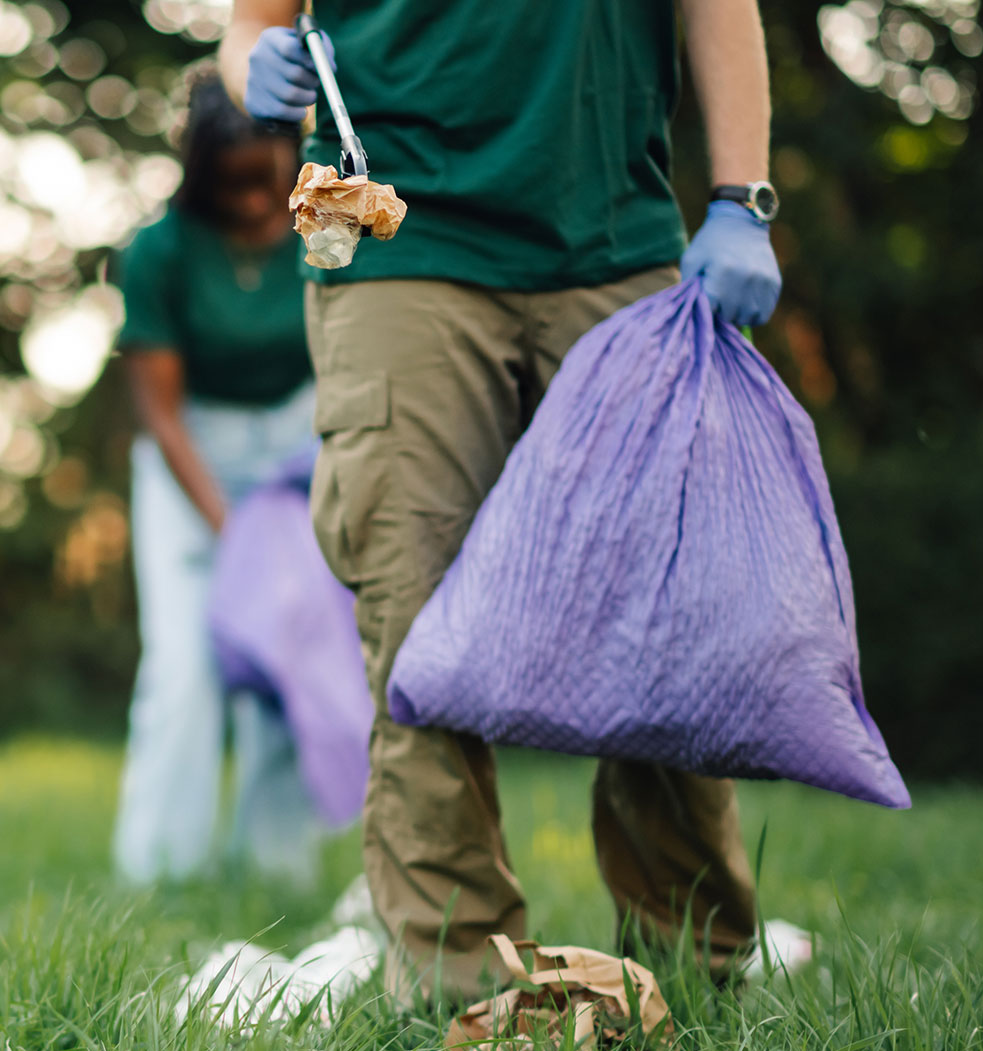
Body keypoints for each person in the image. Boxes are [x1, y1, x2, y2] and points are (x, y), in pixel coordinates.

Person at [222, 0, 784, 998]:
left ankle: (697, 973)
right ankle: (461, 991)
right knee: (414, 622)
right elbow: (249, 29)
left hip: (612, 242)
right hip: (394, 246)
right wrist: (250, 67)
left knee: (669, 622)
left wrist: (743, 199)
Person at [110, 71, 328, 890]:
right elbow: (161, 416)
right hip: (188, 461)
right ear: (201, 175)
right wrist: (230, 529)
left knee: (287, 658)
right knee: (183, 666)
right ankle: (162, 873)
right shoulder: (156, 252)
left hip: (297, 456)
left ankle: (277, 870)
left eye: (266, 180)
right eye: (233, 185)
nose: (252, 203)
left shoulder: (322, 231)